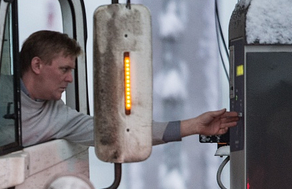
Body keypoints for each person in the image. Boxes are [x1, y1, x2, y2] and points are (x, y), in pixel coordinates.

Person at [19, 30, 238, 147]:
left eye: (72, 71)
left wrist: (194, 126)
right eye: (64, 69)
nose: (69, 79)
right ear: (37, 65)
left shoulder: (58, 116)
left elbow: (121, 134)